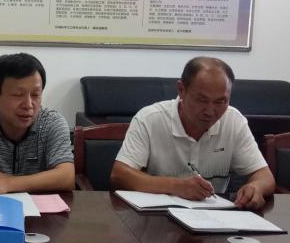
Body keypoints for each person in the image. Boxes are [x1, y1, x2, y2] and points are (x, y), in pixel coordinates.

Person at [110, 56, 275, 209]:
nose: (210, 111)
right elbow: (119, 175)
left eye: (220, 101)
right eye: (202, 100)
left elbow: (265, 176)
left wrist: (255, 187)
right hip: (157, 215)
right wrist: (177, 186)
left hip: (214, 217)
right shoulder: (149, 119)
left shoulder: (233, 121)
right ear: (181, 89)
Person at [0, 53, 75, 194]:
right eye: (18, 95)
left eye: (35, 95)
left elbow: (67, 177)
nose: (28, 105)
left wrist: (8, 184)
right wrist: (33, 182)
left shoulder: (52, 122)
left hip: (39, 206)